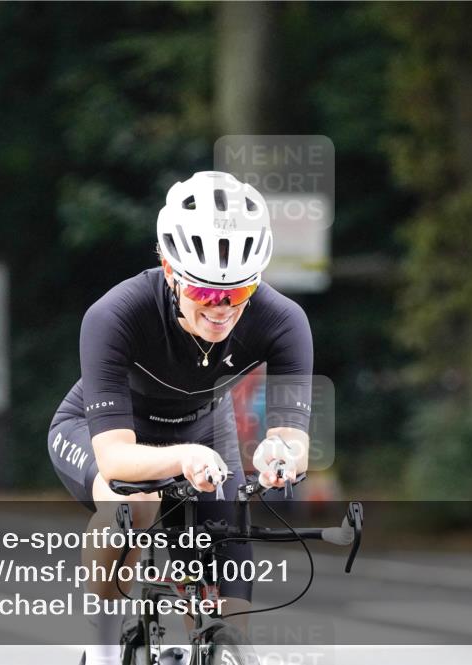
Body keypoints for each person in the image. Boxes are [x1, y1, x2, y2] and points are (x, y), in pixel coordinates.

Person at [48, 171, 313, 665]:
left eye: (239, 292)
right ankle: (102, 649)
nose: (223, 309)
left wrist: (283, 453)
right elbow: (115, 458)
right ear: (170, 270)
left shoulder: (283, 320)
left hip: (204, 434)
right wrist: (184, 456)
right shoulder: (117, 314)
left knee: (229, 628)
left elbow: (292, 434)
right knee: (137, 506)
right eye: (208, 295)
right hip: (100, 431)